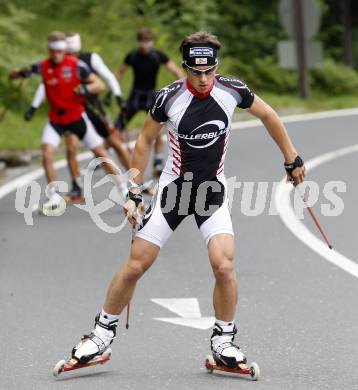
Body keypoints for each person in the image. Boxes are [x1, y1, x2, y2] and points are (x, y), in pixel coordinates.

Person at [68, 32, 305, 369]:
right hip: (174, 192)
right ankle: (100, 334)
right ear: (184, 68)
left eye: (209, 70)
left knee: (224, 265)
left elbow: (268, 115)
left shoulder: (232, 90)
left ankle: (224, 342)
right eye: (196, 72)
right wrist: (134, 190)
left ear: (216, 67)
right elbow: (146, 140)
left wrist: (291, 158)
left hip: (211, 192)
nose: (204, 78)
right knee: (137, 264)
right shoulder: (169, 98)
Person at [10, 31, 127, 211]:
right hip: (56, 118)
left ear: (64, 50)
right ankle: (54, 196)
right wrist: (20, 73)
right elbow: (13, 76)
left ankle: (123, 188)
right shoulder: (43, 66)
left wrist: (85, 89)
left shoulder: (76, 65)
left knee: (100, 152)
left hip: (77, 116)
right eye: (54, 50)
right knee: (47, 152)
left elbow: (99, 85)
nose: (57, 54)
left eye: (60, 50)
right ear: (49, 49)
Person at [115, 27, 183, 177]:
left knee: (156, 127)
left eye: (148, 41)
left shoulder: (157, 55)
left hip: (151, 95)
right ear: (139, 41)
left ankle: (158, 159)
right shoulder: (132, 56)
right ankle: (102, 157)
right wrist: (113, 91)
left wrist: (180, 89)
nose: (146, 44)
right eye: (143, 41)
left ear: (151, 41)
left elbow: (176, 71)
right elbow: (119, 72)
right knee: (116, 127)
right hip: (135, 95)